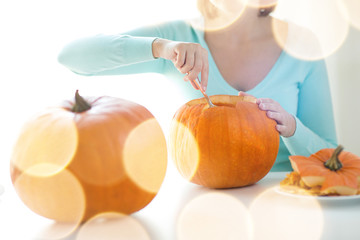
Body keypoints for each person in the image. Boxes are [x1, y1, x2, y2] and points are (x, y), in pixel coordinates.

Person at [58, 0, 337, 171]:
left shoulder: (303, 44)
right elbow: (71, 57)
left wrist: (291, 128)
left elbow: (333, 157)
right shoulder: (178, 36)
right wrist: (160, 47)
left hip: (285, 198)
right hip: (201, 202)